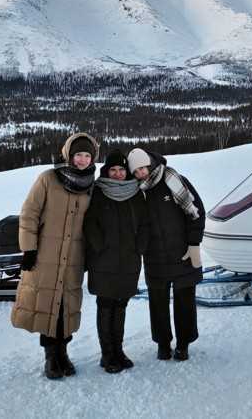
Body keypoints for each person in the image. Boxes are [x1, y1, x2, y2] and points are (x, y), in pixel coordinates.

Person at [11, 132, 99, 379]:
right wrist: (28, 248)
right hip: (45, 256)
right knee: (47, 305)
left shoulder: (92, 185)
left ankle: (63, 353)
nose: (82, 160)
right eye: (78, 155)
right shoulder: (48, 179)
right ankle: (51, 356)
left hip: (74, 258)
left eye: (86, 155)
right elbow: (29, 214)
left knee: (66, 307)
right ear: (68, 155)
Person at [127, 148, 205, 362]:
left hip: (182, 252)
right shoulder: (136, 191)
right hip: (154, 257)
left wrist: (194, 243)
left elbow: (196, 212)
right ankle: (163, 343)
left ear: (150, 164)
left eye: (143, 168)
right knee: (158, 303)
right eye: (136, 171)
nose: (141, 174)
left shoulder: (173, 179)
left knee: (184, 301)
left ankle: (183, 344)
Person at [84, 150, 148, 373]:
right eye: (113, 169)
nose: (118, 174)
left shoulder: (136, 193)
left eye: (122, 169)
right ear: (106, 171)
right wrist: (100, 246)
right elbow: (89, 223)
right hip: (104, 260)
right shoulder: (98, 192)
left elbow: (145, 224)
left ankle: (118, 351)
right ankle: (107, 354)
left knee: (121, 305)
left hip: (129, 260)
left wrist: (139, 247)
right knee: (106, 305)